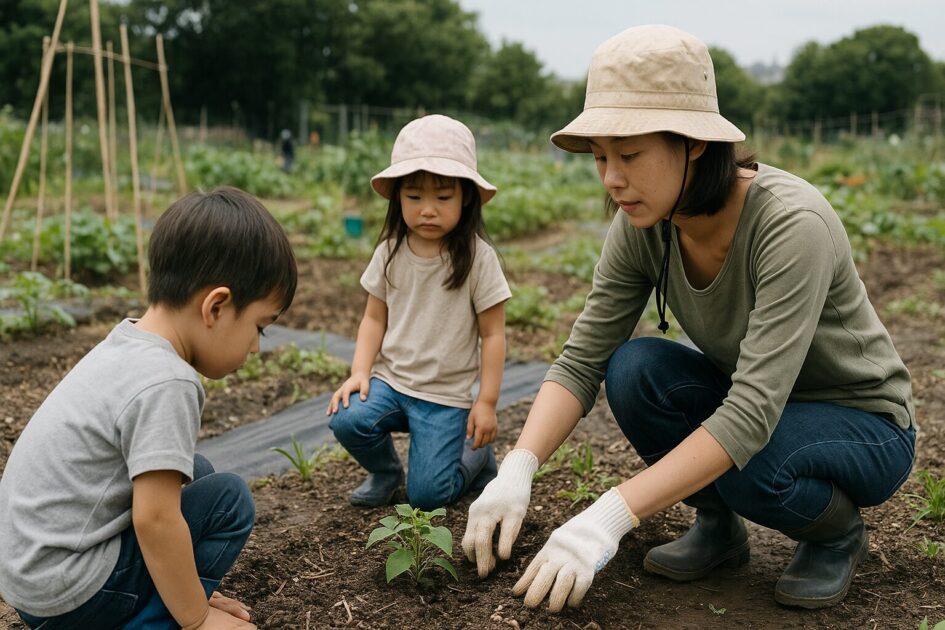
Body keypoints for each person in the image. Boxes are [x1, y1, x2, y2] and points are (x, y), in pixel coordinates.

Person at [462, 25, 916, 612]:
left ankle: (835, 535)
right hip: (765, 412)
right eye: (601, 158)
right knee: (634, 368)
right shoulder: (643, 226)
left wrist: (606, 518)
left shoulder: (791, 224)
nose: (611, 179)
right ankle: (719, 527)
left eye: (629, 155)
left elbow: (750, 413)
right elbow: (582, 360)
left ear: (694, 144)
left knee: (754, 461)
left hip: (863, 423)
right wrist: (517, 472)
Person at [0, 187, 298, 629]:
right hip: (69, 594)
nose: (255, 347)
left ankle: (175, 598)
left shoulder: (127, 342)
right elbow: (155, 519)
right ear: (215, 306)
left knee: (198, 470)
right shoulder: (168, 380)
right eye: (259, 328)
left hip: (32, 577)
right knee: (229, 500)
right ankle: (161, 621)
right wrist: (198, 617)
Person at [327, 114, 511, 511]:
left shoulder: (478, 259)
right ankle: (387, 472)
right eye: (414, 197)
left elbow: (493, 334)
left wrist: (487, 402)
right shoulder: (390, 253)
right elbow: (373, 319)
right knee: (347, 418)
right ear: (398, 199)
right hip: (392, 384)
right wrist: (360, 371)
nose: (428, 210)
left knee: (427, 497)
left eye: (443, 198)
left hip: (444, 397)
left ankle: (476, 458)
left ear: (466, 197)